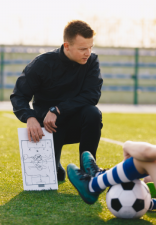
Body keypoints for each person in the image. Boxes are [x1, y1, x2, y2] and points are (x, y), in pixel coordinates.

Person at [67, 77, 156, 224]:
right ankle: (106, 178)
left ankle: (93, 186)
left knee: (148, 159)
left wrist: (128, 145)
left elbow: (147, 153)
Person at [10, 20, 103, 181]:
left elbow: (92, 95)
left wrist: (57, 109)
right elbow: (19, 95)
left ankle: (88, 171)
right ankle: (56, 165)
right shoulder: (41, 64)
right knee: (51, 177)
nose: (88, 53)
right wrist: (29, 117)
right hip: (48, 128)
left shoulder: (91, 62)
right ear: (67, 46)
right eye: (82, 49)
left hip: (76, 124)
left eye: (90, 47)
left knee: (93, 113)